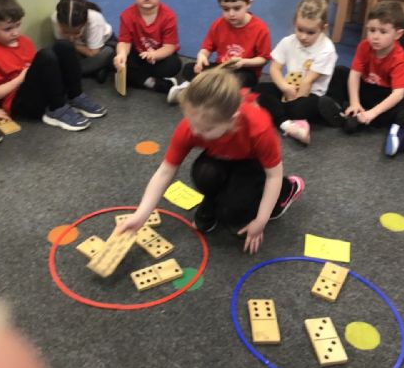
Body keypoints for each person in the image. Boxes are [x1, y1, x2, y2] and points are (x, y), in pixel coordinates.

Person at [115, 63, 304, 255]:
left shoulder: (259, 128)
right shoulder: (196, 124)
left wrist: (261, 220)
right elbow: (165, 171)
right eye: (193, 124)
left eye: (206, 129)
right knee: (204, 174)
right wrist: (141, 215)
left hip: (254, 165)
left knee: (234, 214)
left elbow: (273, 175)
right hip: (221, 157)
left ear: (232, 120)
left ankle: (288, 189)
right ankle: (215, 202)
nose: (196, 132)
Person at [0, 0, 106, 132]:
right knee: (46, 55)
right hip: (20, 103)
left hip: (40, 91)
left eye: (18, 25)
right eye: (8, 29)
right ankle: (57, 109)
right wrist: (20, 78)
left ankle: (75, 96)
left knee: (64, 46)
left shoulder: (24, 41)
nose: (15, 32)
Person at [168, 0, 271, 102]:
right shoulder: (218, 24)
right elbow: (207, 48)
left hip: (245, 71)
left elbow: (263, 59)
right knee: (189, 68)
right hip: (221, 68)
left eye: (237, 8)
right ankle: (208, 91)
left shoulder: (260, 28)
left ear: (249, 4)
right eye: (226, 9)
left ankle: (197, 90)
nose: (231, 14)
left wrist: (244, 62)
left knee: (241, 80)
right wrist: (202, 57)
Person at [318, 1, 404, 133]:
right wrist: (355, 102)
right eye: (372, 30)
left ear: (398, 34)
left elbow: (397, 94)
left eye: (383, 32)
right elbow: (354, 74)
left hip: (382, 96)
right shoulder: (364, 46)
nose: (375, 37)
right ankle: (339, 110)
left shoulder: (400, 59)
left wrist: (373, 113)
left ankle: (364, 119)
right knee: (340, 71)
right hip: (364, 88)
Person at [255, 0, 337, 144]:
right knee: (256, 90)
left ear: (323, 29)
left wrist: (292, 100)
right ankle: (288, 124)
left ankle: (284, 116)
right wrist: (284, 87)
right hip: (289, 88)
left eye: (310, 32)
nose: (303, 36)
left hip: (311, 95)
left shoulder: (327, 49)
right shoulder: (288, 42)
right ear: (294, 23)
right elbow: (275, 68)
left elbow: (307, 82)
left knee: (297, 108)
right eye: (300, 30)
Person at [113, 0, 181, 96]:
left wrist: (154, 55)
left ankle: (140, 78)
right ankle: (153, 83)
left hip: (160, 56)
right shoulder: (126, 15)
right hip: (139, 56)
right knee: (117, 60)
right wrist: (121, 54)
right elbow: (124, 42)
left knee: (174, 65)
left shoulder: (169, 16)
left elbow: (169, 47)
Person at [52, 0, 116, 84]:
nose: (71, 37)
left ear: (86, 22)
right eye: (66, 32)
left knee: (108, 52)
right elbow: (62, 44)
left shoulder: (95, 20)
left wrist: (72, 44)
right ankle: (97, 69)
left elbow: (93, 52)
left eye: (76, 33)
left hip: (102, 45)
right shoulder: (55, 19)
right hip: (80, 47)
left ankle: (73, 72)